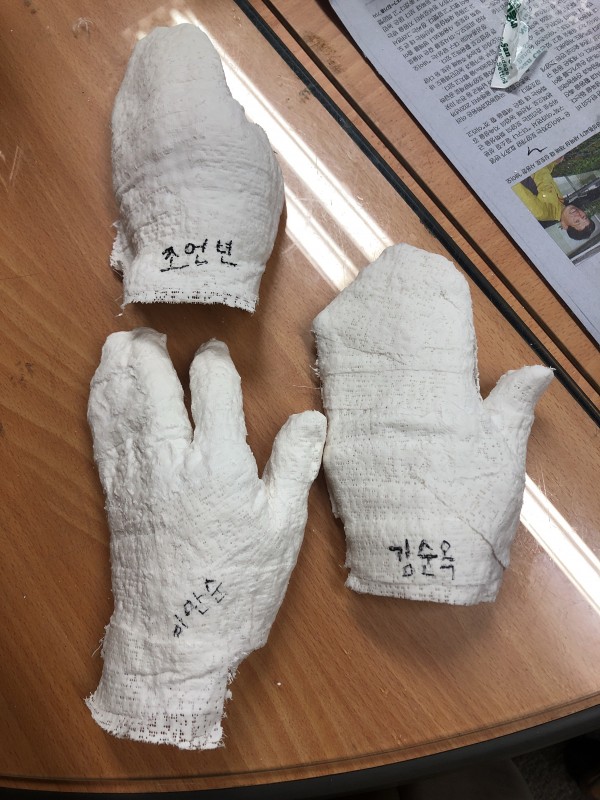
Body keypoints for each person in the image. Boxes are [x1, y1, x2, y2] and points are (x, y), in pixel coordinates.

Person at [512, 157, 596, 240]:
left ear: (565, 225)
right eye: (584, 217)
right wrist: (553, 163)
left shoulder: (542, 212)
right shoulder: (561, 202)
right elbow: (543, 177)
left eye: (577, 221)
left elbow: (514, 184)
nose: (579, 215)